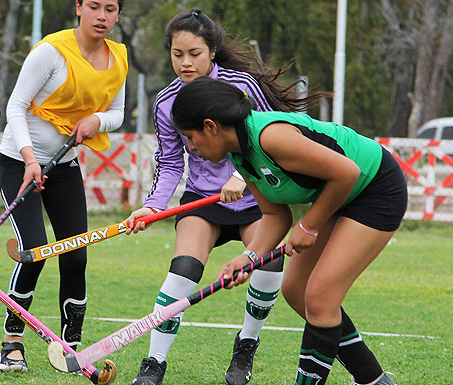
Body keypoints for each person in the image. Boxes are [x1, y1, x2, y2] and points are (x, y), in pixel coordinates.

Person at [122, 8, 323, 385]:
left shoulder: (243, 86)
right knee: (183, 270)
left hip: (254, 202)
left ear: (212, 51)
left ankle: (246, 346)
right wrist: (153, 206)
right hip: (202, 202)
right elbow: (169, 163)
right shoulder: (166, 102)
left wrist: (240, 176)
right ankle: (154, 364)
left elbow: (266, 140)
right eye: (177, 54)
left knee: (268, 265)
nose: (185, 62)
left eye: (194, 53)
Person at [172, 77, 404, 385]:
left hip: (375, 187)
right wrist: (249, 256)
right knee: (296, 291)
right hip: (342, 194)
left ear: (211, 126)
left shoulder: (271, 137)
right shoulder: (239, 154)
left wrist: (309, 225)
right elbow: (274, 214)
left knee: (321, 298)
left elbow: (347, 172)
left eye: (190, 136)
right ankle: (373, 380)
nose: (191, 147)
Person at [0, 0, 127, 373]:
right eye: (95, 6)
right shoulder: (51, 52)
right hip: (19, 164)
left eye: (111, 8)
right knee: (35, 251)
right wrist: (30, 159)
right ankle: (12, 341)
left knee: (76, 255)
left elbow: (117, 112)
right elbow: (16, 106)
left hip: (65, 168)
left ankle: (72, 347)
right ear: (78, 8)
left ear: (118, 14)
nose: (102, 16)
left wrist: (96, 121)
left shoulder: (118, 58)